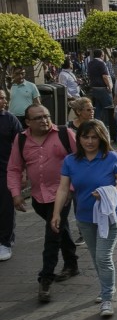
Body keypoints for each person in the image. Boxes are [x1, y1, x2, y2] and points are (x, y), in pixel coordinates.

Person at [51, 120, 117, 317]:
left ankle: (107, 297)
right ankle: (106, 287)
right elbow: (62, 189)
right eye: (86, 137)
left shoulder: (111, 157)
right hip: (85, 217)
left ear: (102, 138)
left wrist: (109, 190)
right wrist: (56, 213)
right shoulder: (70, 161)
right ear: (79, 138)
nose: (90, 141)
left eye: (94, 137)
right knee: (96, 257)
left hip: (110, 215)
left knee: (103, 256)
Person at [7, 105, 77, 301]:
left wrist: (74, 188)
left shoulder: (64, 134)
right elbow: (14, 168)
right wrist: (16, 193)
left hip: (62, 195)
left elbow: (81, 158)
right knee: (59, 228)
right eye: (38, 118)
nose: (44, 120)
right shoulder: (21, 139)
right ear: (27, 122)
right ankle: (72, 263)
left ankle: (45, 279)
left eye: (46, 116)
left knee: (52, 234)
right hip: (39, 198)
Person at [0, 90, 22, 261]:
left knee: (6, 207)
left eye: (3, 98)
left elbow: (20, 144)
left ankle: (5, 242)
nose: (2, 101)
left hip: (6, 171)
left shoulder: (10, 119)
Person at [86, 49, 114, 127]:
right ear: (102, 55)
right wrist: (109, 86)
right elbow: (105, 76)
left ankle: (96, 124)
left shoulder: (90, 63)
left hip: (94, 88)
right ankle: (107, 125)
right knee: (108, 108)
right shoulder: (101, 63)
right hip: (103, 88)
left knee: (98, 108)